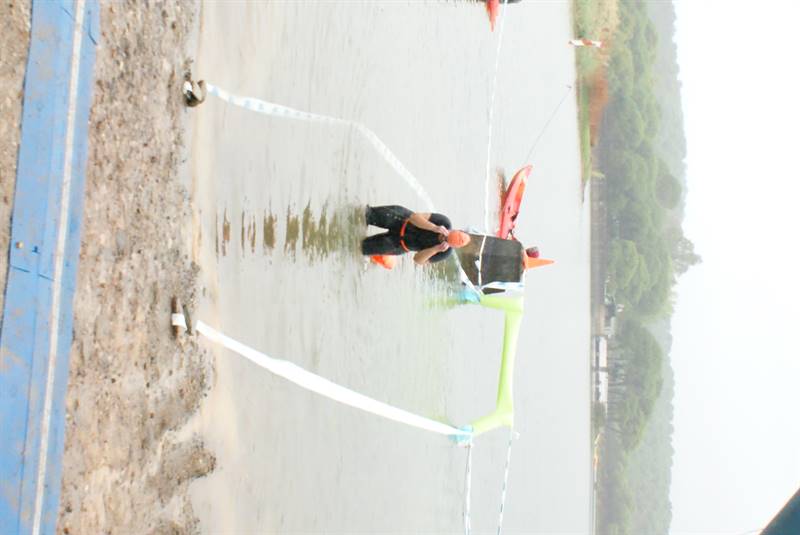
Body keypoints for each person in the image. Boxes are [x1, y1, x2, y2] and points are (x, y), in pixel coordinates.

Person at [361, 205, 472, 265]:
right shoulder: (444, 221)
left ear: (451, 245)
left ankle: (375, 256)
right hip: (401, 220)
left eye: (446, 240)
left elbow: (417, 260)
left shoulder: (444, 253)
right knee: (366, 215)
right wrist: (434, 227)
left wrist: (435, 249)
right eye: (447, 235)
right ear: (453, 230)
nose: (443, 237)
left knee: (361, 248)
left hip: (399, 244)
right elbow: (414, 217)